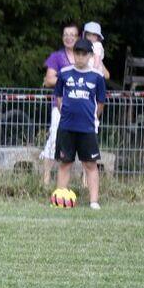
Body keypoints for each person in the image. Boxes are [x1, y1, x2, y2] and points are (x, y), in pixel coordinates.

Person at [53, 38, 107, 209]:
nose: (80, 57)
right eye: (77, 53)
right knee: (65, 163)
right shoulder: (64, 73)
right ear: (73, 54)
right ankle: (60, 199)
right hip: (66, 127)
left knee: (90, 164)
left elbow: (100, 102)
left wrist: (93, 117)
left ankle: (94, 202)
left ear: (90, 55)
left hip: (87, 129)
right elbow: (58, 96)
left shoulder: (97, 76)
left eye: (84, 53)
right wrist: (65, 112)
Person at [39, 23, 82, 183]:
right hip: (60, 105)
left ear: (78, 37)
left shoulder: (84, 55)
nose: (68, 38)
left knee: (83, 139)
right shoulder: (57, 57)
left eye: (72, 35)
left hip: (81, 105)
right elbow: (49, 79)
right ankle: (46, 178)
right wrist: (71, 80)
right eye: (65, 35)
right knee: (54, 137)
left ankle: (82, 181)